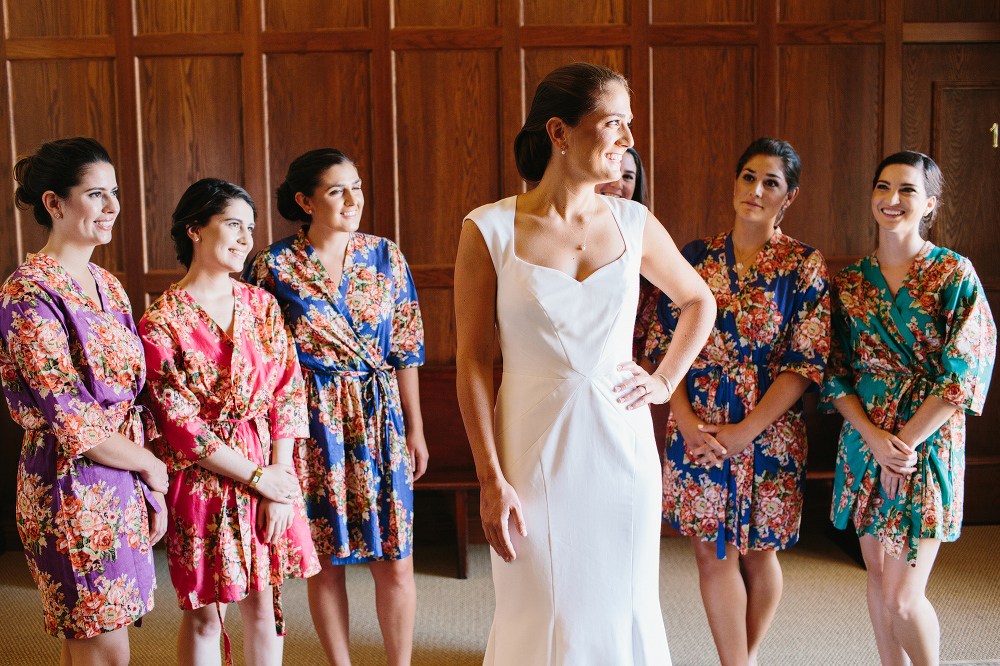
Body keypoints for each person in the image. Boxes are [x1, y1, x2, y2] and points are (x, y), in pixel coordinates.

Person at [454, 62, 716, 665]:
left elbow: (699, 300)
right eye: (614, 123)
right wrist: (490, 479)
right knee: (539, 607)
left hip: (621, 450)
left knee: (624, 606)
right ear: (559, 132)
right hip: (528, 451)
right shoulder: (488, 229)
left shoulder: (633, 222)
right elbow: (472, 362)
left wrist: (662, 382)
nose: (627, 140)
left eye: (629, 126)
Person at [646, 137, 830, 666]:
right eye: (748, 177)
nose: (755, 190)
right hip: (697, 421)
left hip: (768, 425)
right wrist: (684, 422)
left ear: (788, 197)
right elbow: (664, 344)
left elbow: (807, 360)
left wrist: (745, 430)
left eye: (771, 182)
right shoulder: (694, 256)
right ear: (734, 182)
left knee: (759, 548)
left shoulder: (803, 265)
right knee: (709, 551)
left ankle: (738, 661)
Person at [243, 149, 427, 666]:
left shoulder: (386, 255)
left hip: (379, 415)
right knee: (326, 558)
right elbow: (264, 361)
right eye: (335, 190)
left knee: (396, 557)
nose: (352, 200)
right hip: (310, 421)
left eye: (357, 187)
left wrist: (415, 429)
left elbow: (406, 347)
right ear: (305, 201)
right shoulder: (273, 266)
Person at [822, 151, 995, 666]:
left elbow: (965, 369)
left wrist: (904, 445)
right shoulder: (850, 282)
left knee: (902, 595)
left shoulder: (953, 273)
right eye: (883, 187)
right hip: (864, 438)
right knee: (876, 574)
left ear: (930, 205)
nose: (891, 199)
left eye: (907, 190)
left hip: (927, 444)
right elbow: (833, 371)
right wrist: (875, 440)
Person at [0, 137, 168, 665]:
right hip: (69, 484)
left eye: (114, 193)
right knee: (101, 644)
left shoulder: (107, 285)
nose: (113, 207)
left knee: (108, 637)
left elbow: (132, 392)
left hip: (121, 477)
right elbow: (70, 413)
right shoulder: (28, 292)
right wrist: (150, 466)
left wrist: (145, 481)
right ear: (54, 203)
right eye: (97, 195)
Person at [139, 178, 320, 666]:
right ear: (195, 228)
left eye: (251, 228)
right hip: (202, 477)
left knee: (266, 603)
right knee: (206, 611)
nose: (245, 238)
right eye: (233, 225)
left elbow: (287, 390)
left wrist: (279, 482)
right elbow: (180, 425)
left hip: (267, 464)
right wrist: (259, 479)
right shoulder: (161, 321)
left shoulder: (260, 305)